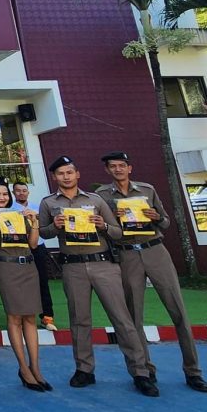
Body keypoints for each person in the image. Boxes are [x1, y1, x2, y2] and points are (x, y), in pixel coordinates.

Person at [38, 156, 158, 397]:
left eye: (69, 172)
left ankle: (140, 372)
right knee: (79, 319)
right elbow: (43, 232)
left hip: (103, 264)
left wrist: (103, 225)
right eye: (61, 173)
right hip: (72, 266)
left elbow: (117, 232)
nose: (66, 177)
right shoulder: (48, 202)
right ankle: (84, 369)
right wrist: (55, 226)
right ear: (54, 177)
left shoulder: (95, 200)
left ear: (77, 174)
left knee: (121, 318)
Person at [95, 152, 207, 393]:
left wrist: (156, 217)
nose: (118, 169)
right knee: (133, 316)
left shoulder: (147, 190)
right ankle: (143, 371)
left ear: (130, 168)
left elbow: (166, 221)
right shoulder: (102, 196)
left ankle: (193, 371)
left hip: (155, 250)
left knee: (178, 312)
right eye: (113, 166)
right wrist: (112, 220)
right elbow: (103, 229)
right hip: (127, 254)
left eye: (122, 165)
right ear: (107, 170)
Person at [0, 177, 48, 392]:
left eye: (4, 194)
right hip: (7, 267)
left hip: (28, 266)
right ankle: (23, 368)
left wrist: (34, 222)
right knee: (15, 317)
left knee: (30, 317)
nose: (2, 197)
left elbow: (33, 243)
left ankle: (35, 367)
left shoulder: (20, 213)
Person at [13, 181, 58, 331]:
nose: (21, 193)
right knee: (21, 284)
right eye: (18, 191)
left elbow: (47, 225)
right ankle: (22, 317)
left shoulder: (38, 207)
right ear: (13, 193)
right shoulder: (10, 209)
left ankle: (47, 317)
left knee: (42, 281)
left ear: (28, 192)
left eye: (24, 190)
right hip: (20, 249)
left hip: (38, 247)